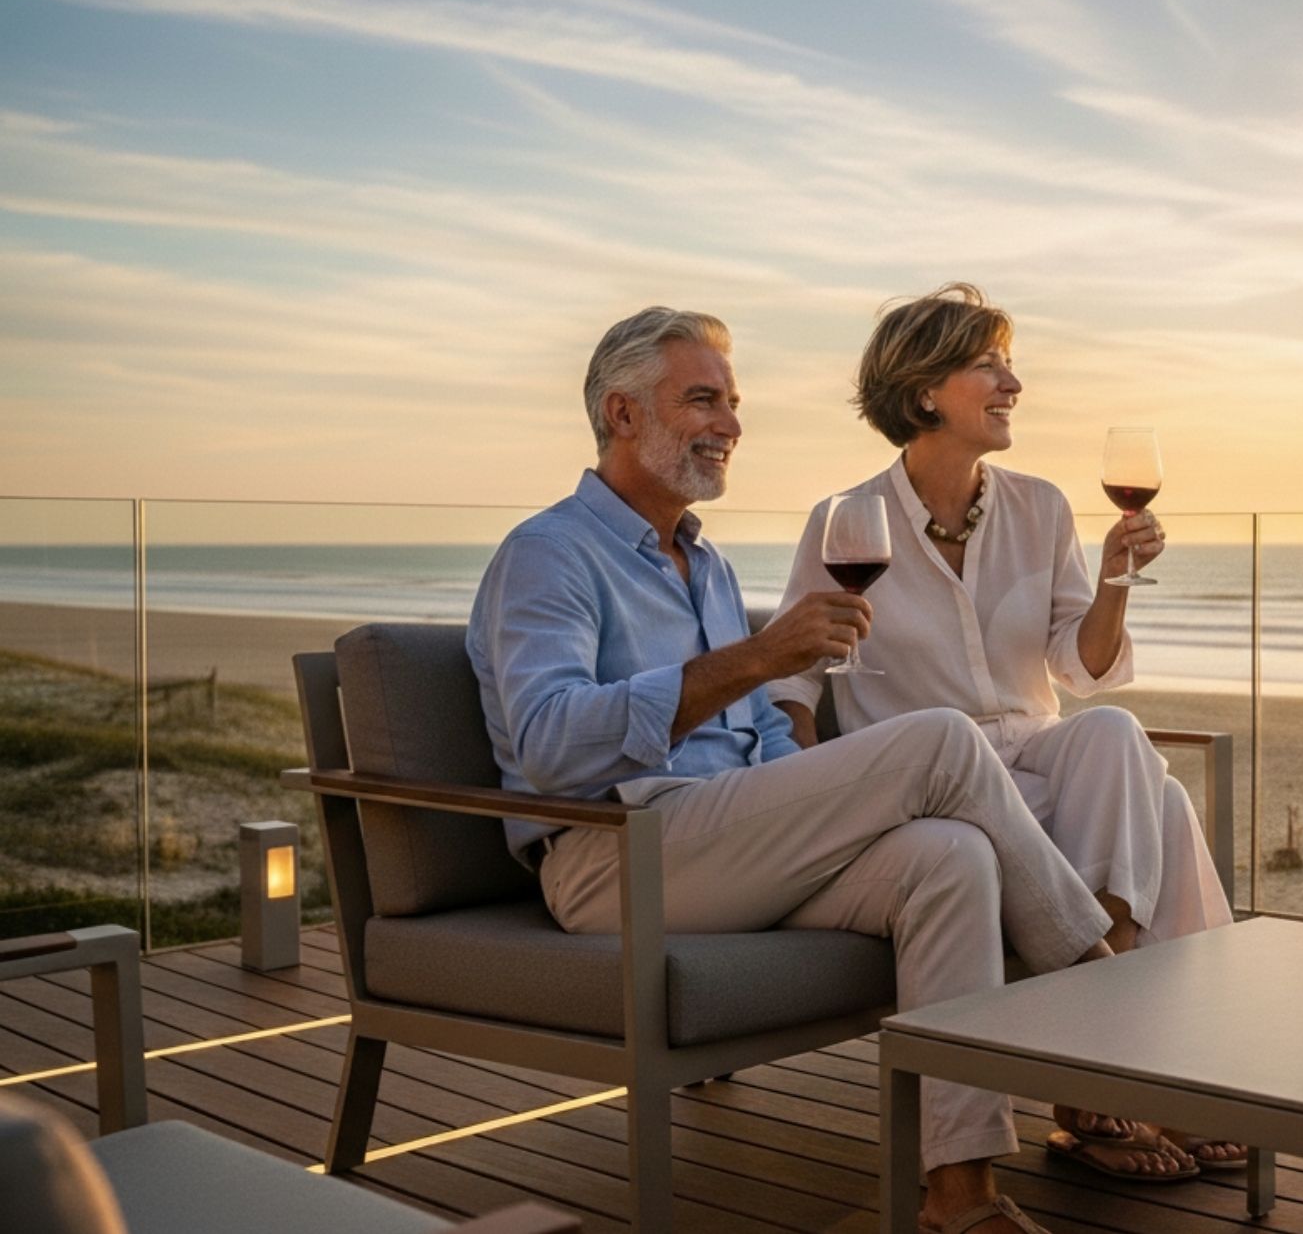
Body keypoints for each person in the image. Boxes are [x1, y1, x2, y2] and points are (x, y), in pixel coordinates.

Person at [467, 305, 1117, 1234]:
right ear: (621, 414)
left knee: (947, 857)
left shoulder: (708, 567)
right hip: (619, 858)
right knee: (937, 739)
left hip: (725, 840)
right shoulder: (549, 555)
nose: (732, 424)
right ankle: (1102, 1001)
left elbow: (765, 743)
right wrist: (755, 662)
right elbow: (547, 741)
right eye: (703, 400)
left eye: (733, 401)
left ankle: (959, 1199)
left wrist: (831, 788)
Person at [768, 284, 1245, 1176]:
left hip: (1037, 755)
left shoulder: (1041, 507)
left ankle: (1099, 1068)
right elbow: (794, 672)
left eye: (1007, 363)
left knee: (1110, 736)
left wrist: (1114, 579)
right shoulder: (846, 521)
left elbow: (1080, 667)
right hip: (932, 777)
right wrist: (808, 793)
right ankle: (1142, 1081)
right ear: (924, 394)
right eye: (989, 365)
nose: (1013, 383)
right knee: (1169, 809)